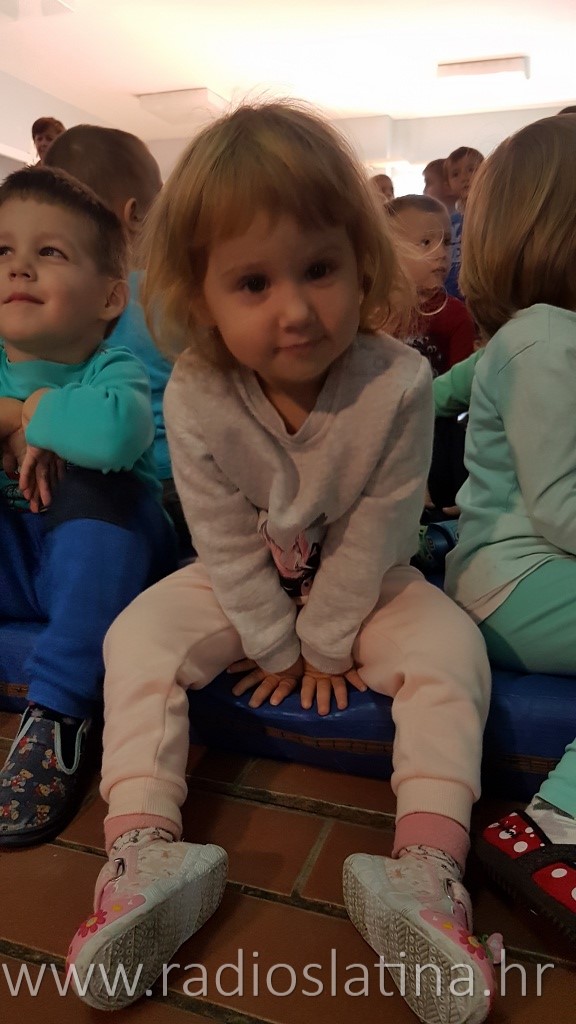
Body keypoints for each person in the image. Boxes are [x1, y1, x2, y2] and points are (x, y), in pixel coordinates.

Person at [66, 100, 498, 1023]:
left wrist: (324, 645)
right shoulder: (197, 389)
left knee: (452, 649)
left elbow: (381, 528)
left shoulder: (399, 380)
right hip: (244, 582)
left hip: (368, 584)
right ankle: (141, 850)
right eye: (254, 283)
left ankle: (427, 868)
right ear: (201, 298)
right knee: (137, 636)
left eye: (320, 270)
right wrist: (272, 640)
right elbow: (221, 536)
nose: (297, 311)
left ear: (362, 262)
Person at [0, 167, 177, 848]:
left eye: (49, 251)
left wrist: (36, 410)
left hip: (106, 569)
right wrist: (15, 414)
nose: (19, 266)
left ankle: (59, 713)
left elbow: (112, 436)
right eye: (3, 249)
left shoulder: (113, 368)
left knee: (99, 486)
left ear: (110, 297)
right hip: (22, 563)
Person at [443, 114, 576, 939]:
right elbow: (561, 505)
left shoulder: (540, 335)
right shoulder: (544, 341)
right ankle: (553, 827)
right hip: (516, 580)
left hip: (516, 572)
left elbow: (431, 393)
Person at [43, 125, 191, 553]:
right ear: (137, 214)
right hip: (180, 476)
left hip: (95, 483)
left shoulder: (60, 305)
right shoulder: (170, 292)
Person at [386, 194, 476, 376]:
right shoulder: (374, 313)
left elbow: (461, 385)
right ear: (389, 250)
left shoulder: (456, 316)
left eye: (446, 242)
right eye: (426, 242)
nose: (442, 253)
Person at [444, 147, 484, 299]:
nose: (464, 178)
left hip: (481, 292)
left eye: (471, 170)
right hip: (451, 293)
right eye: (455, 174)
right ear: (448, 185)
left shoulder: (490, 218)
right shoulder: (449, 221)